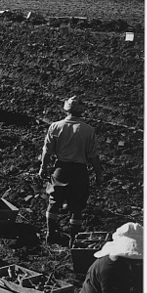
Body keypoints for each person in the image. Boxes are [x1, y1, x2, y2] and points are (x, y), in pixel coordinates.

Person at [38, 96, 105, 245]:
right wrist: (99, 173)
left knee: (54, 202)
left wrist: (43, 167)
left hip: (60, 169)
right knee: (77, 207)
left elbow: (47, 151)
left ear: (66, 109)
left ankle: (51, 233)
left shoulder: (55, 126)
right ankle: (73, 239)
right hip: (79, 172)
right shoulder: (87, 130)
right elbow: (93, 155)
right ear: (81, 110)